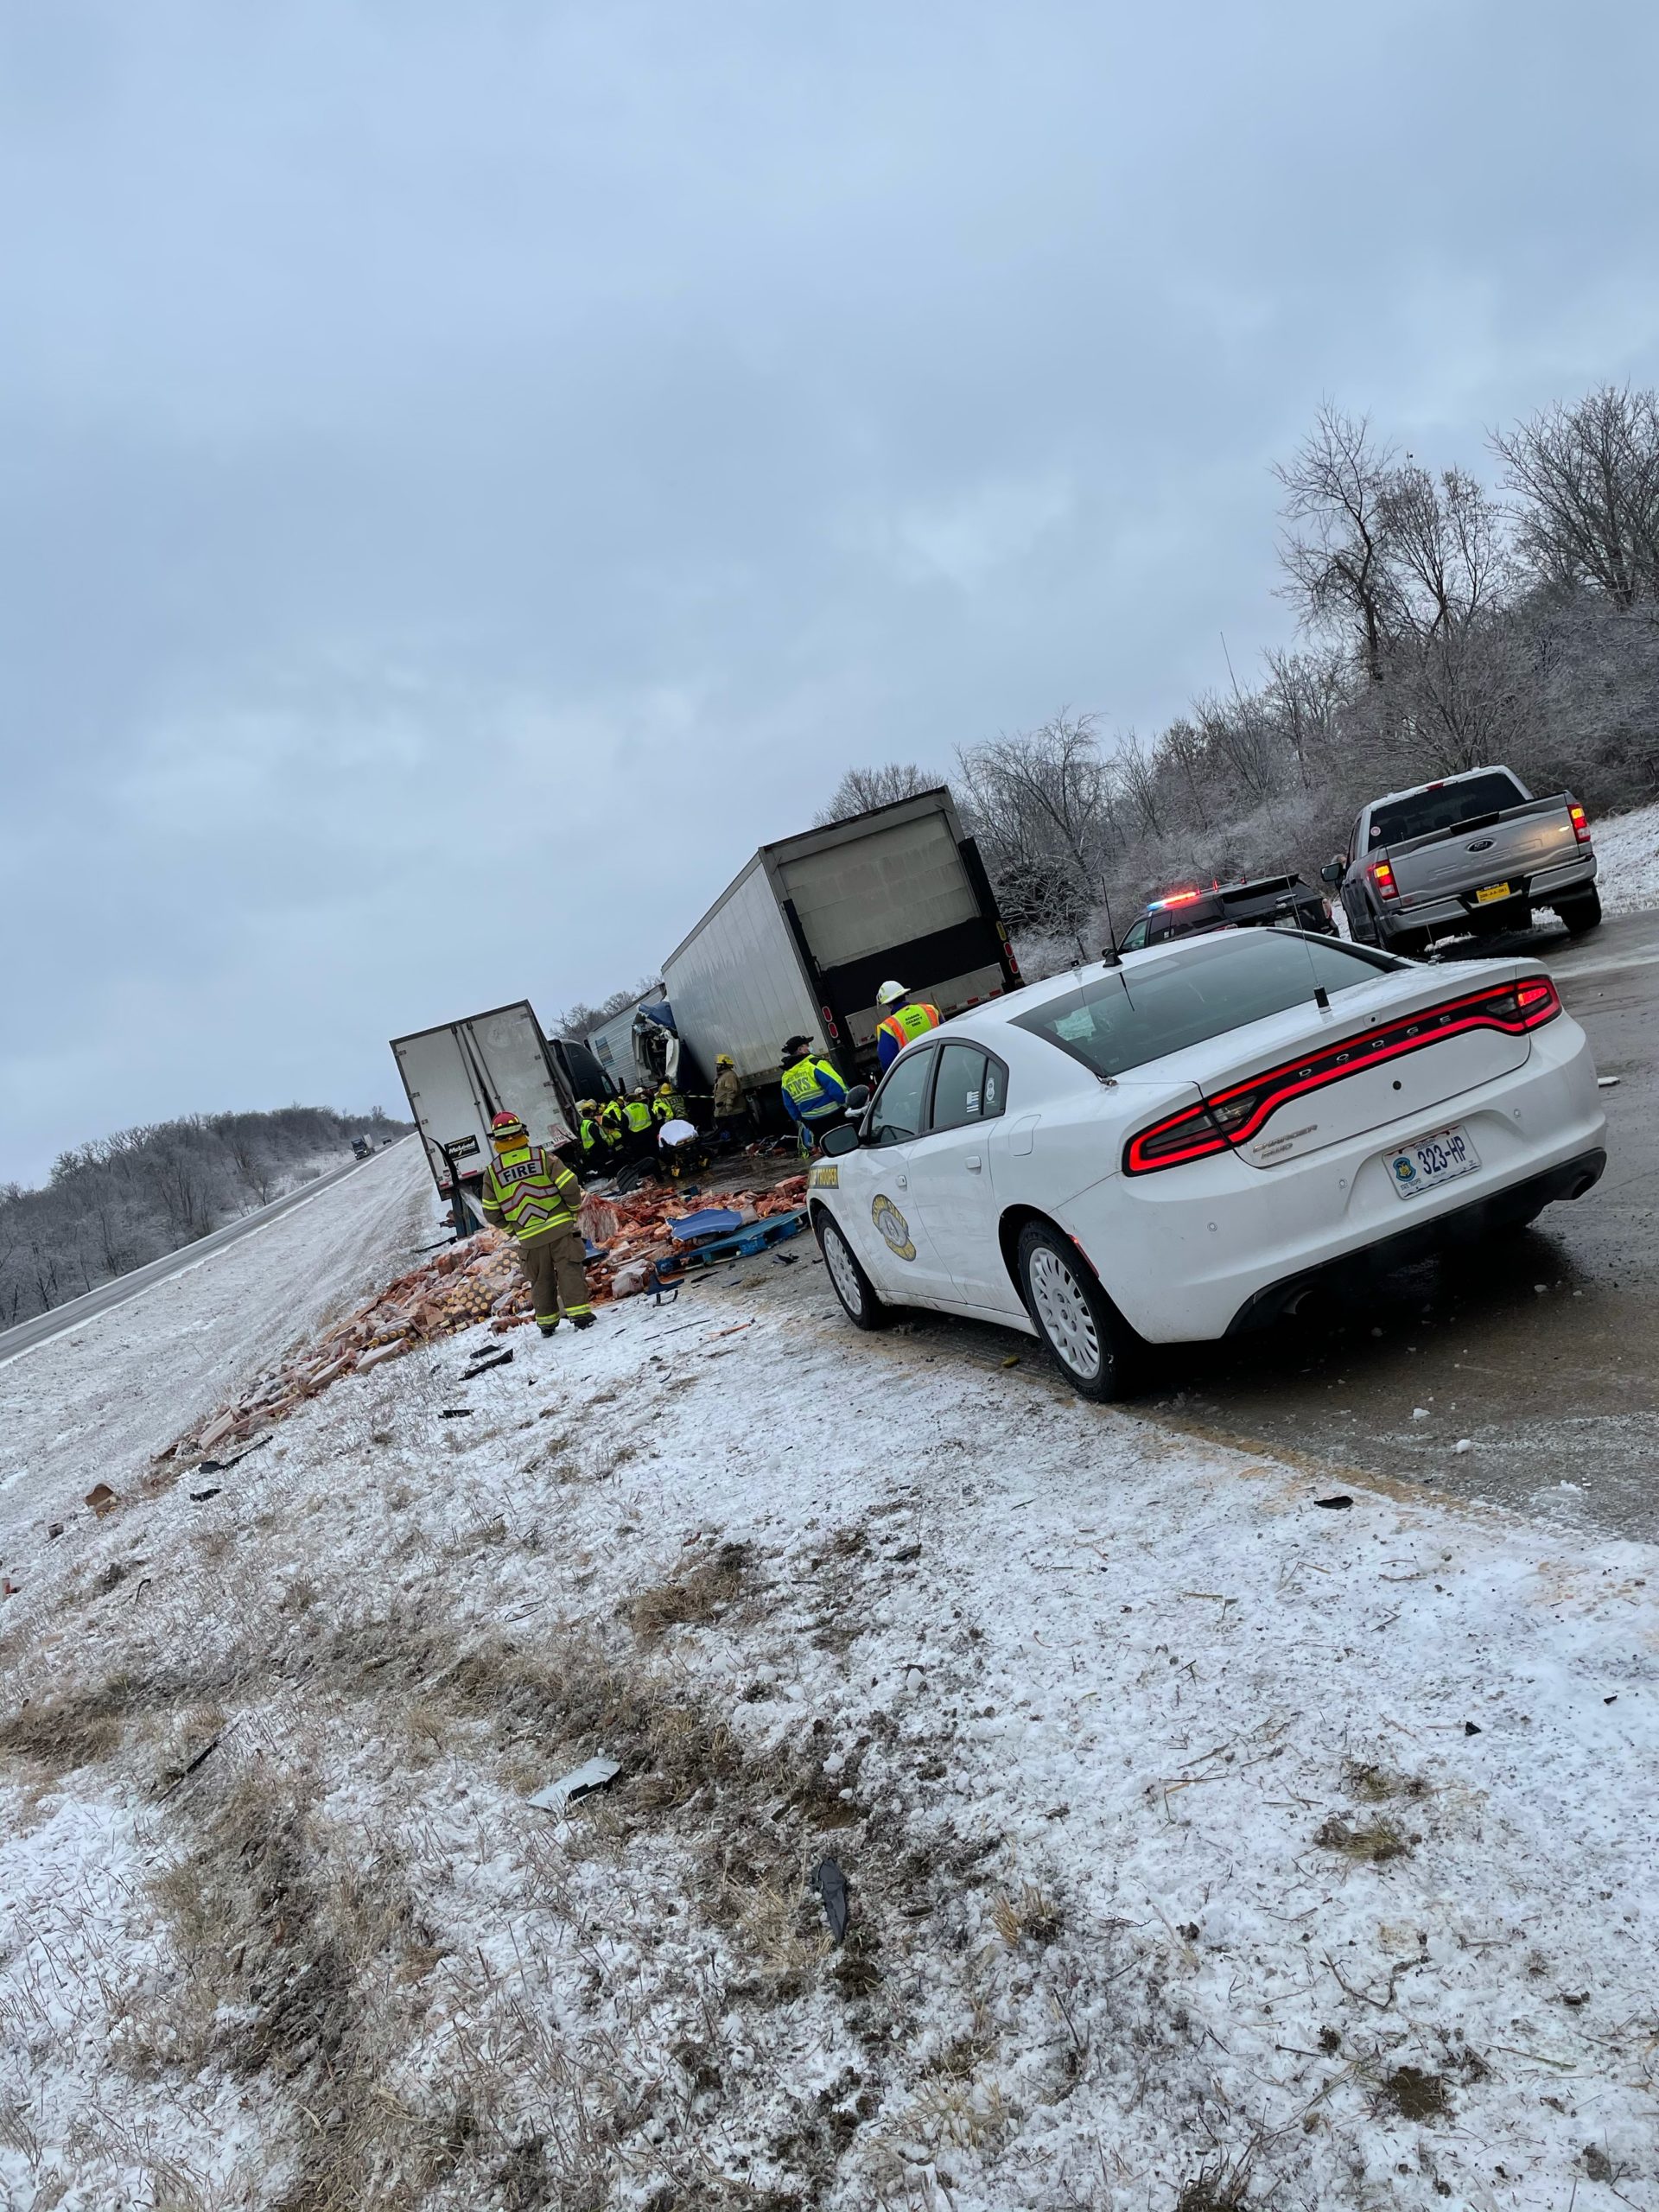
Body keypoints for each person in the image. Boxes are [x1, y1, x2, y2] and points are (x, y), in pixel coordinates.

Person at [476, 1110, 594, 1337]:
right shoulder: (542, 1157)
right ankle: (581, 1317)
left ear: (496, 1140)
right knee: (569, 1271)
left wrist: (514, 1229)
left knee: (540, 1280)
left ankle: (547, 1325)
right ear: (522, 1132)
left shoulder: (492, 1173)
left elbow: (491, 1212)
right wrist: (571, 1211)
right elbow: (569, 1185)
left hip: (529, 1239)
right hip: (560, 1230)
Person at [779, 1035, 849, 1154]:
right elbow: (836, 1087)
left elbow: (789, 1105)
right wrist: (849, 1101)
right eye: (807, 1046)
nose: (810, 1048)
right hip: (834, 1116)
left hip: (812, 1122)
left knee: (827, 1151)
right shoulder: (815, 1064)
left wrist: (802, 1120)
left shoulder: (786, 1076)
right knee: (848, 1146)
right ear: (801, 1049)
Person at [874, 979, 941, 1071]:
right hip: (942, 1063)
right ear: (904, 995)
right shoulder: (929, 1010)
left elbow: (888, 1064)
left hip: (915, 1075)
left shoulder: (888, 1027)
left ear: (887, 1004)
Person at [710, 1053, 749, 1144]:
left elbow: (732, 1091)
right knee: (735, 1130)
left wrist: (728, 1105)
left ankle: (749, 1144)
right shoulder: (722, 1076)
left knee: (741, 1128)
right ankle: (742, 1144)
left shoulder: (729, 1075)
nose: (717, 1066)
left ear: (724, 1065)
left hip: (734, 1110)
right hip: (727, 1111)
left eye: (719, 1064)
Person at [575, 1100, 615, 1175]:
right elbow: (598, 1139)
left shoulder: (583, 1124)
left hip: (591, 1151)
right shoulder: (591, 1124)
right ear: (591, 1113)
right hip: (597, 1149)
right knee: (607, 1168)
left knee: (601, 1169)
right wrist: (607, 1147)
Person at [622, 1086, 656, 1162]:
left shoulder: (625, 1111)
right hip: (650, 1134)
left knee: (643, 1160)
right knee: (654, 1156)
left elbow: (624, 1129)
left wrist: (626, 1143)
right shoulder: (644, 1106)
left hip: (637, 1138)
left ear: (627, 1102)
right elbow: (654, 1119)